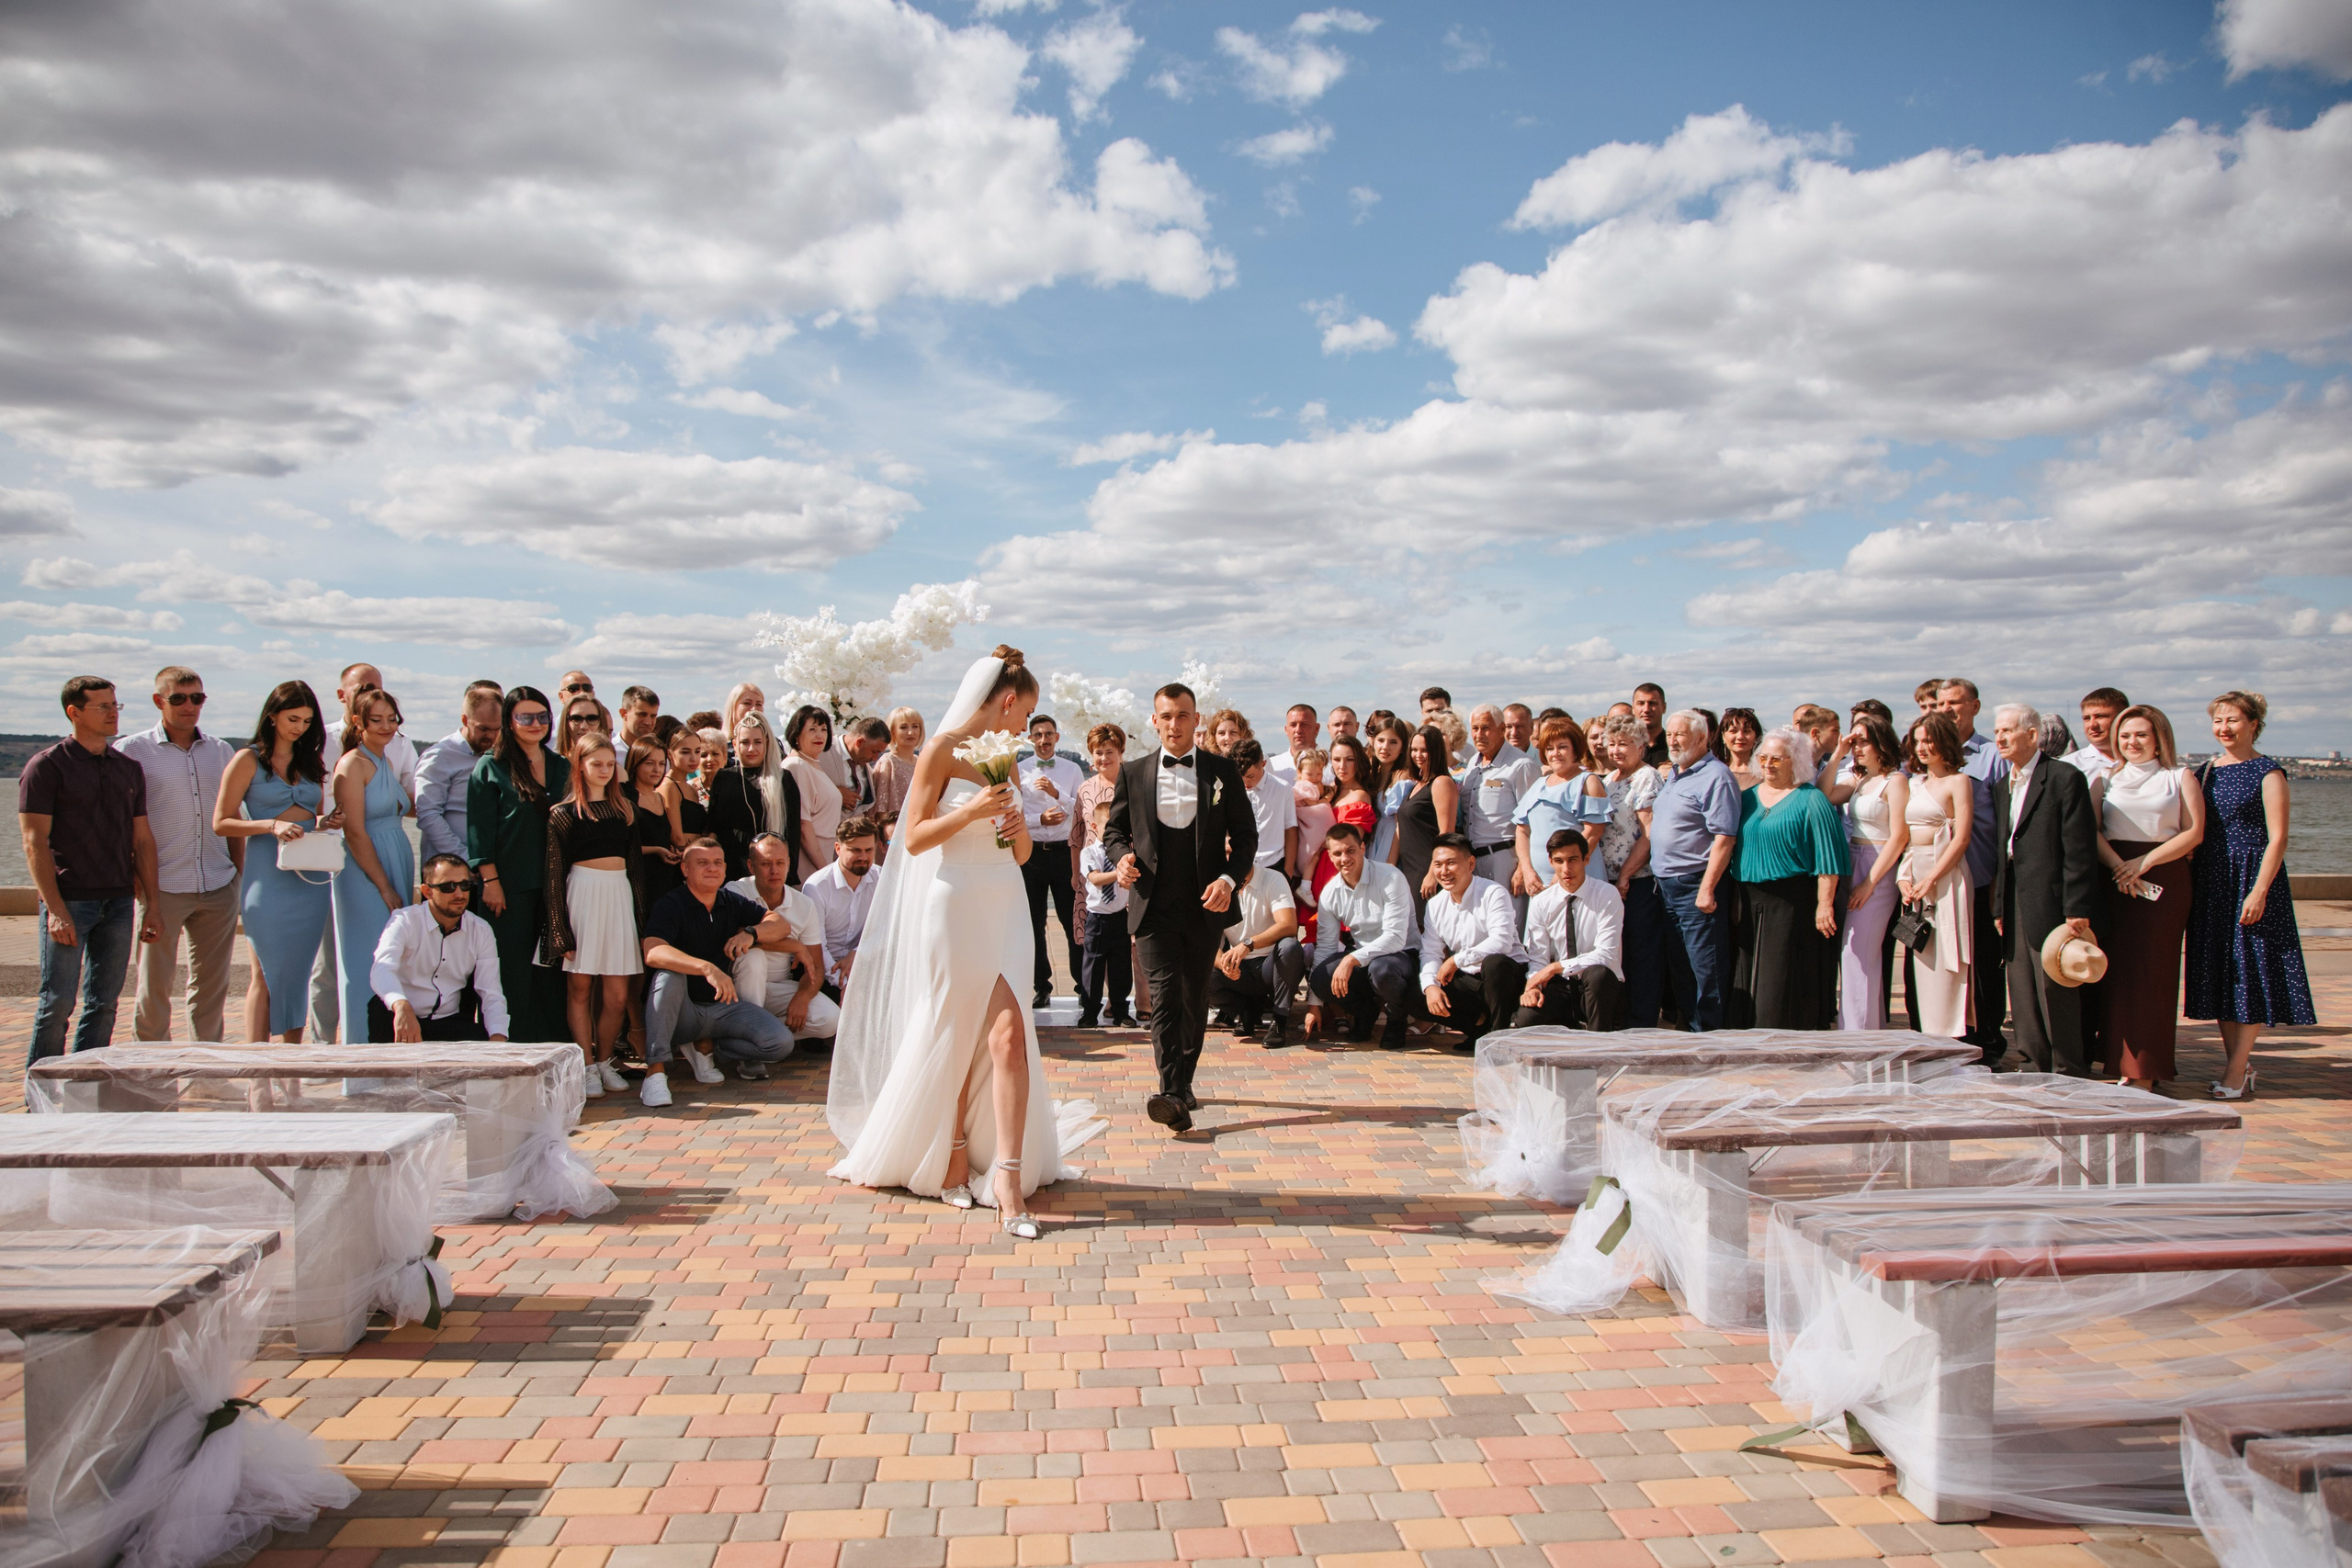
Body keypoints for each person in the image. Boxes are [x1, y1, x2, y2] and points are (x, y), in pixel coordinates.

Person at [830, 647, 1101, 1235]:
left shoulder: (1010, 757)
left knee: (1010, 1035)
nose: (1024, 727)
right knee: (952, 1030)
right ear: (1007, 702)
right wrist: (973, 809)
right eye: (1024, 714)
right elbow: (915, 838)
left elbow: (1025, 853)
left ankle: (1005, 1174)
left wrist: (1012, 827)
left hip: (1005, 902)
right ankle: (951, 1151)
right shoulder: (942, 749)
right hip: (953, 900)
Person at [1102, 681, 1259, 1134]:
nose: (1174, 724)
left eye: (1183, 715)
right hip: (1152, 905)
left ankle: (1182, 1083)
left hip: (1205, 904)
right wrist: (1121, 860)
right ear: (1154, 721)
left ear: (1197, 720)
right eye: (1166, 716)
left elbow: (1246, 836)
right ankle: (1170, 1091)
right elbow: (1114, 833)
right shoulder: (1132, 772)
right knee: (1166, 996)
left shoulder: (1221, 772)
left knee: (1194, 999)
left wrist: (1229, 879)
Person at [2186, 690, 2314, 1100]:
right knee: (2222, 975)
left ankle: (2236, 1071)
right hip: (2211, 882)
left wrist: (2258, 892)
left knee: (2249, 973)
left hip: (2251, 880)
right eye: (2218, 721)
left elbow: (2278, 839)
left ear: (2254, 724)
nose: (2224, 728)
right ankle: (2239, 1066)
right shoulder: (2204, 771)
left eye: (2233, 720)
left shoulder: (2268, 772)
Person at [22, 676, 157, 1059]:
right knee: (56, 1005)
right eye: (103, 707)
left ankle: (86, 1093)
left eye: (116, 705)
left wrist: (153, 906)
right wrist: (56, 910)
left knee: (104, 1004)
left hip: (117, 902)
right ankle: (39, 1099)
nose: (113, 713)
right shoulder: (46, 767)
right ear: (74, 712)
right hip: (69, 902)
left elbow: (143, 841)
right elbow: (34, 843)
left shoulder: (127, 768)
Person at [120, 665, 241, 1042]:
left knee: (211, 988)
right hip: (162, 889)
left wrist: (239, 874)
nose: (189, 706)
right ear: (159, 701)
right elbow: (121, 824)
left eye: (197, 698)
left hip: (219, 883)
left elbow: (233, 816)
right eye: (178, 699)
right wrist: (141, 887)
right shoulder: (131, 751)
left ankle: (208, 1073)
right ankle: (153, 1073)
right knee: (153, 988)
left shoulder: (222, 751)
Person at [211, 682, 333, 1043]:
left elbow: (316, 816)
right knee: (264, 973)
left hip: (309, 879)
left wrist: (328, 822)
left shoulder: (311, 762)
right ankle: (258, 1076)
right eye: (293, 718)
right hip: (266, 876)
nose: (299, 727)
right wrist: (270, 825)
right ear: (272, 715)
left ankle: (292, 1072)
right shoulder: (247, 759)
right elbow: (220, 823)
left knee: (298, 972)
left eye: (308, 722)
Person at [639, 838, 799, 1109]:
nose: (711, 869)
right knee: (669, 976)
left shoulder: (729, 901)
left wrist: (750, 934)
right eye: (702, 863)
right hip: (682, 1010)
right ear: (685, 869)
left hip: (720, 1009)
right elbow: (653, 952)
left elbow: (780, 924)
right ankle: (654, 1073)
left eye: (717, 863)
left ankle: (710, 1047)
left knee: (779, 1043)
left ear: (725, 869)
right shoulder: (671, 903)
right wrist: (706, 968)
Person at [2091, 705, 2204, 1089]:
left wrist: (2143, 863)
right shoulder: (2105, 779)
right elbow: (2092, 832)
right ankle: (2123, 1064)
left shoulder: (2179, 777)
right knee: (2118, 974)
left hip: (2163, 878)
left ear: (2159, 739)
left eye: (2140, 735)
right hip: (2115, 881)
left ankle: (2149, 1069)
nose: (2132, 742)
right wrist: (2119, 868)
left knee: (2153, 973)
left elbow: (2193, 832)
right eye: (2125, 735)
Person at [1991, 703, 2103, 1077]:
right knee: (2021, 988)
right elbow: (2001, 850)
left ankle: (2068, 1069)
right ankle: (2032, 1063)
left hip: (2054, 903)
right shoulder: (2000, 786)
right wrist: (1998, 908)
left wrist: (2077, 907)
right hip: (2014, 899)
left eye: (2008, 730)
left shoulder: (2064, 777)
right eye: (1997, 732)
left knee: (2054, 988)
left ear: (2033, 735)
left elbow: (2080, 850)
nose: (2001, 738)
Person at [542, 731, 645, 1095]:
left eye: (609, 764)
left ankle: (604, 1062)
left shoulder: (626, 812)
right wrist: (559, 929)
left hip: (618, 897)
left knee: (617, 994)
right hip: (581, 895)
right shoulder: (562, 815)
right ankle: (585, 1066)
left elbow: (635, 870)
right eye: (595, 764)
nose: (604, 770)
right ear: (580, 766)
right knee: (581, 986)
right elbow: (553, 876)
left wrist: (641, 920)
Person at [1729, 728, 1849, 1030]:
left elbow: (1828, 859)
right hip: (1747, 897)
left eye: (1777, 759)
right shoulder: (1747, 799)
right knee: (1746, 971)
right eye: (1763, 758)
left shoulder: (1812, 800)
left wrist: (1825, 904)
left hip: (1791, 900)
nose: (1768, 764)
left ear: (1794, 760)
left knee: (1780, 974)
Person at [469, 686, 571, 1043]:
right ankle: (509, 1051)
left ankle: (552, 1052)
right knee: (510, 974)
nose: (535, 723)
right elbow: (479, 832)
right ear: (509, 722)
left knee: (551, 975)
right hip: (508, 888)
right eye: (525, 717)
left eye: (542, 716)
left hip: (556, 888)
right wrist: (490, 880)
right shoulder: (491, 767)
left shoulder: (561, 766)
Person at [331, 688, 415, 1043]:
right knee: (367, 961)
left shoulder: (386, 762)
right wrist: (383, 884)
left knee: (395, 960)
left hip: (394, 856)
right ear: (358, 723)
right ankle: (361, 1063)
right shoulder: (351, 763)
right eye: (376, 720)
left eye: (391, 719)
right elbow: (353, 830)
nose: (385, 726)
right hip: (365, 869)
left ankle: (389, 1054)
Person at [1649, 710, 1740, 1032]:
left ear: (1701, 738)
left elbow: (1725, 837)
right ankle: (1691, 1032)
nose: (1672, 740)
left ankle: (1710, 1037)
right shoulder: (1675, 773)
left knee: (1706, 967)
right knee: (1682, 968)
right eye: (1670, 735)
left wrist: (1707, 887)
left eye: (1681, 734)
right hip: (1667, 887)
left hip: (1695, 886)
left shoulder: (1717, 776)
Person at [1938, 679, 2011, 1061]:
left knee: (1983, 964)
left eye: (1956, 703)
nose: (1948, 709)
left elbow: (2005, 822)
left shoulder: (1992, 756)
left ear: (1975, 707)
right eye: (1942, 703)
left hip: (1981, 876)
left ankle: (1988, 1040)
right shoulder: (1928, 753)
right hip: (1938, 883)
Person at [368, 853, 509, 1042]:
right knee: (380, 1011)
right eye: (448, 887)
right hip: (398, 1017)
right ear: (427, 892)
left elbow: (491, 992)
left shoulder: (481, 930)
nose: (459, 894)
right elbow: (382, 969)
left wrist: (498, 1037)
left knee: (480, 1042)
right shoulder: (404, 921)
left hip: (449, 1021)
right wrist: (401, 1005)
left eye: (465, 885)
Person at [725, 832, 838, 1063]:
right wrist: (794, 945)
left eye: (780, 863)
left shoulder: (804, 904)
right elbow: (738, 939)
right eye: (766, 864)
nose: (774, 871)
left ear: (789, 864)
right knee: (752, 956)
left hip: (778, 987)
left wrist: (803, 997)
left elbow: (815, 966)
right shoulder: (736, 891)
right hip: (738, 986)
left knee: (830, 1019)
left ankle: (747, 1039)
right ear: (751, 866)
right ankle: (750, 1055)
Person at [1898, 713, 1976, 1040]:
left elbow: (1962, 838)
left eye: (1929, 740)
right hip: (1916, 875)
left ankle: (1952, 1035)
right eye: (1918, 741)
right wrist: (1905, 878)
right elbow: (1907, 837)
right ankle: (1928, 1033)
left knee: (1949, 956)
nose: (1923, 747)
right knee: (1923, 953)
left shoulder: (1959, 782)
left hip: (1947, 876)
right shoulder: (1915, 784)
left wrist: (1931, 879)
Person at [1307, 822, 1418, 1048]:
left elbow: (1396, 937)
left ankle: (1397, 1020)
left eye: (1350, 850)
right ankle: (1365, 1013)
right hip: (1362, 956)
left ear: (1363, 848)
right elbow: (1326, 947)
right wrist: (1313, 1005)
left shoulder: (1390, 876)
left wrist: (1351, 959)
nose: (1344, 858)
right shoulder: (1330, 892)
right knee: (1321, 977)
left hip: (1402, 954)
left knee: (1382, 969)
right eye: (1337, 853)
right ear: (1329, 856)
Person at [1417, 833, 1528, 1052]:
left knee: (1494, 963)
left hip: (1506, 978)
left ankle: (1498, 1038)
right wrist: (1430, 986)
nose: (1444, 871)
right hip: (1469, 978)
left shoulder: (1493, 892)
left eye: (1451, 863)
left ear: (1470, 863)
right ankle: (1476, 1028)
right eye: (1438, 865)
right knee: (1416, 984)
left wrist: (1456, 960)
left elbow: (1502, 941)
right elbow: (1430, 952)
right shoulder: (1436, 904)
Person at [1068, 722, 1147, 1022]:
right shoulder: (1085, 788)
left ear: (1121, 753)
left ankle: (1137, 1003)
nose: (1104, 758)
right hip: (1095, 873)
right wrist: (1076, 873)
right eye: (1098, 752)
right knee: (1094, 950)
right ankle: (1093, 1007)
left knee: (1133, 948)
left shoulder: (1135, 785)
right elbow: (1077, 833)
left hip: (1132, 872)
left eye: (1109, 751)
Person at [1838, 715, 1912, 1032]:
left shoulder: (1895, 780)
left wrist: (1870, 882)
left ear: (1881, 743)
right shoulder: (1861, 780)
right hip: (1853, 859)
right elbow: (1826, 794)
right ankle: (1866, 1029)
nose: (1857, 748)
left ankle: (1859, 1036)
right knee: (1855, 953)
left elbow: (1899, 835)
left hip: (1877, 864)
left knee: (1859, 951)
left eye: (1862, 741)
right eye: (1854, 742)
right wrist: (1841, 751)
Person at [1513, 830, 1626, 1032]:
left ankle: (1597, 1049)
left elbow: (1607, 954)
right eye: (1559, 861)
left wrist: (1555, 967)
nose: (1566, 869)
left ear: (1586, 858)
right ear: (1550, 862)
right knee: (1526, 1019)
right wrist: (1535, 986)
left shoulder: (1606, 894)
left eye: (1573, 860)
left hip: (1597, 987)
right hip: (1561, 986)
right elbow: (1538, 956)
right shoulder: (1541, 902)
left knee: (1598, 974)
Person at [1596, 714, 1665, 1028]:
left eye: (1624, 743)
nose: (1617, 750)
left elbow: (1649, 833)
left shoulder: (1647, 778)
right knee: (1616, 951)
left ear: (1641, 746)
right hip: (1608, 882)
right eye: (1612, 743)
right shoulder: (1609, 780)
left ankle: (1642, 1019)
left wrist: (1625, 874)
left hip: (1638, 881)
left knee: (1641, 951)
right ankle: (1619, 1016)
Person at [1017, 713, 1085, 1009]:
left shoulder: (1072, 770)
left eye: (1049, 734)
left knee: (1073, 922)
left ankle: (1084, 987)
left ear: (1057, 737)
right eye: (1038, 735)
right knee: (1033, 924)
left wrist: (1058, 795)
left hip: (1064, 853)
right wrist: (1039, 819)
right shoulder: (1018, 771)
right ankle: (1041, 987)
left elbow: (1083, 811)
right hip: (1030, 855)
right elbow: (1013, 816)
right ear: (1031, 739)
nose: (1044, 740)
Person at [1209, 859, 1304, 1047]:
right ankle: (1246, 1011)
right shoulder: (1214, 886)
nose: (1230, 858)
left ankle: (1279, 1021)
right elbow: (1207, 942)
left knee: (1290, 947)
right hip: (1241, 969)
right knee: (1197, 968)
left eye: (1234, 852)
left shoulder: (1273, 878)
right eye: (1225, 853)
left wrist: (1248, 944)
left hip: (1272, 964)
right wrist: (1224, 964)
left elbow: (1289, 925)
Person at [1510, 717, 1608, 897]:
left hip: (1576, 880)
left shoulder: (1588, 781)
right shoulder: (1538, 784)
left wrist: (1562, 873)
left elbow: (1593, 832)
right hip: (1539, 884)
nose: (1555, 753)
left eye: (1562, 747)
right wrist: (1527, 870)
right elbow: (1522, 831)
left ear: (1575, 749)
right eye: (1549, 748)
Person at [1458, 705, 1542, 905]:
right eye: (1475, 729)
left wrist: (1524, 867)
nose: (1479, 735)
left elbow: (1534, 820)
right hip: (1473, 859)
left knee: (1509, 924)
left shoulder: (1521, 765)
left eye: (1486, 728)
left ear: (1501, 728)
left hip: (1505, 859)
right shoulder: (1472, 764)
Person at [416, 681, 503, 862]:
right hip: (450, 867)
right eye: (483, 729)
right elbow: (428, 814)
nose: (492, 737)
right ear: (465, 720)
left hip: (491, 864)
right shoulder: (439, 756)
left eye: (498, 729)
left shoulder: (500, 753)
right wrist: (463, 857)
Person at [710, 710, 794, 882]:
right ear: (734, 744)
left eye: (757, 742)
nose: (751, 749)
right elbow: (713, 827)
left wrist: (788, 876)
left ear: (766, 743)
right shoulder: (723, 778)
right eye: (745, 742)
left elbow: (792, 831)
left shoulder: (783, 779)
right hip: (730, 868)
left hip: (769, 870)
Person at [804, 816, 884, 993]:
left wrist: (859, 952)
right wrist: (844, 983)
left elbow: (887, 927)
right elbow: (817, 948)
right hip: (825, 975)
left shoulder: (881, 879)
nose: (863, 857)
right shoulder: (816, 887)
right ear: (838, 849)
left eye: (869, 850)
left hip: (866, 966)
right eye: (855, 850)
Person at [1076, 802, 1136, 1029]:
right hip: (1097, 918)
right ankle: (1090, 1012)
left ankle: (1121, 1010)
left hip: (1120, 916)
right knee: (1093, 967)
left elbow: (1131, 885)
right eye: (1106, 827)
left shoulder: (1127, 854)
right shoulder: (1089, 852)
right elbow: (1095, 879)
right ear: (1094, 826)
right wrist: (1119, 873)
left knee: (1121, 967)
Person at [1392, 724, 1460, 903]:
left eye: (1424, 750)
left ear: (1436, 751)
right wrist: (1389, 867)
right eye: (1414, 750)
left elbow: (1446, 833)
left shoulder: (1441, 783)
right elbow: (1401, 828)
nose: (1418, 755)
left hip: (1427, 869)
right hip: (1409, 869)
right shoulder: (1417, 784)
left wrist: (1433, 873)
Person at [784, 705, 842, 881]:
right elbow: (803, 824)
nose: (820, 735)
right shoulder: (797, 766)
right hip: (809, 864)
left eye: (824, 729)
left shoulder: (812, 763)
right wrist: (824, 870)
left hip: (824, 856)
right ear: (796, 734)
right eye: (812, 729)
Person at [629, 740, 684, 908]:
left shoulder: (660, 797)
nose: (657, 769)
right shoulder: (626, 797)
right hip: (640, 880)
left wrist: (670, 850)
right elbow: (623, 846)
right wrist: (656, 850)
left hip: (665, 879)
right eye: (649, 763)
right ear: (635, 763)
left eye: (661, 764)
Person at [1235, 740, 1298, 885]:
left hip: (1275, 868)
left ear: (1263, 764)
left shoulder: (1282, 789)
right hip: (1241, 868)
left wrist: (1287, 872)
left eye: (1250, 776)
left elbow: (1291, 830)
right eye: (1241, 776)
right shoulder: (1233, 789)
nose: (1246, 782)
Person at [1365, 716, 1413, 864]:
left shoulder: (1402, 776)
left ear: (1402, 747)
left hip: (1390, 843)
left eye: (1393, 742)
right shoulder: (1372, 775)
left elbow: (1401, 826)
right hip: (1370, 843)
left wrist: (1391, 861)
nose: (1385, 747)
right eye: (1381, 740)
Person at [872, 706, 924, 828]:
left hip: (919, 827)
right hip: (894, 831)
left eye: (915, 726)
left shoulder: (921, 762)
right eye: (903, 727)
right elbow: (880, 806)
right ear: (892, 732)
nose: (911, 732)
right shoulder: (888, 761)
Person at [2066, 687, 2129, 784]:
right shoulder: (2070, 766)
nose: (2092, 725)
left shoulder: (2146, 762)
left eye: (2100, 716)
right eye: (2087, 718)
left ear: (2123, 718)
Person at [842, 716, 889, 814]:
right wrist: (835, 794)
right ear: (859, 742)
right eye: (874, 752)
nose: (875, 758)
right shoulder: (823, 751)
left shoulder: (865, 766)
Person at [1264, 704, 1317, 788]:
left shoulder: (1334, 763)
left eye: (1304, 724)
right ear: (1286, 730)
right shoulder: (1272, 766)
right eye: (1293, 725)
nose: (1298, 730)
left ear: (1316, 729)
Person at [1720, 707, 1764, 788]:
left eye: (1746, 731)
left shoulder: (1765, 772)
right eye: (1733, 731)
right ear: (1723, 736)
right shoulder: (1716, 771)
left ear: (1756, 736)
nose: (1740, 737)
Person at [1631, 683, 1669, 768]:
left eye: (1652, 703)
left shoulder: (1673, 746)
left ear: (1664, 707)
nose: (1646, 709)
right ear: (1633, 709)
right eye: (1641, 703)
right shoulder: (1626, 748)